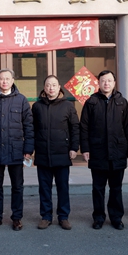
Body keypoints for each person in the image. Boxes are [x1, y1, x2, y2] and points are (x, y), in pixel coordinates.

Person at [0, 69, 34, 231]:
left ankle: (17, 218)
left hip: (16, 150)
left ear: (13, 80)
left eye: (7, 79)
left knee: (17, 186)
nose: (4, 82)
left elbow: (29, 127)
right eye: (1, 79)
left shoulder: (21, 100)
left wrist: (28, 149)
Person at [80, 70, 128, 230]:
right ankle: (98, 217)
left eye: (109, 80)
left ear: (114, 83)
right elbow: (84, 127)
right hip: (98, 151)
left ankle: (116, 218)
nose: (106, 83)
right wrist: (85, 148)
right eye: (103, 80)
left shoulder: (122, 102)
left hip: (117, 151)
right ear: (99, 83)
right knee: (98, 188)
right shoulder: (91, 102)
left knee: (116, 188)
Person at [32, 75, 79, 230]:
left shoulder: (68, 106)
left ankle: (63, 216)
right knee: (44, 188)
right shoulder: (37, 106)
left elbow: (75, 128)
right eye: (48, 85)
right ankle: (46, 216)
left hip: (62, 152)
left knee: (62, 187)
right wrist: (30, 149)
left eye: (54, 85)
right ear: (44, 88)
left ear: (59, 87)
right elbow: (32, 129)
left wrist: (74, 148)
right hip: (43, 153)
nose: (51, 88)